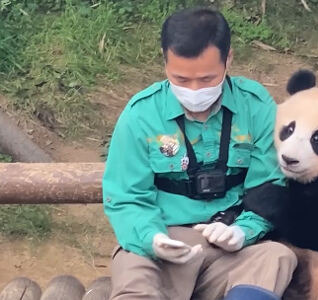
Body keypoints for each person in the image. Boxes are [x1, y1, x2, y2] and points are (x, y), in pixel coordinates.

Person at [102, 7, 297, 300]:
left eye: (207, 79)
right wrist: (151, 238)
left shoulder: (255, 107)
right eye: (180, 79)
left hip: (229, 246)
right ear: (164, 60)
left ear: (228, 58)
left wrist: (244, 231)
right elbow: (125, 196)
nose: (194, 90)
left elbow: (271, 185)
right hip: (164, 243)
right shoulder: (140, 114)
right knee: (134, 267)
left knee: (276, 256)